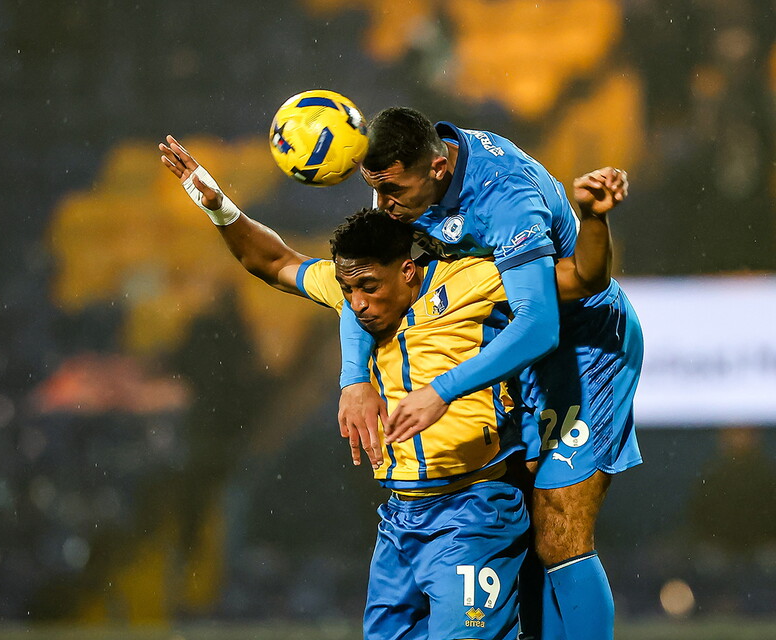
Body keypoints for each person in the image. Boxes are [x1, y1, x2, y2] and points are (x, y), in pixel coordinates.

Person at [158, 135, 626, 640]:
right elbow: (272, 262)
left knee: (563, 543)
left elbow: (581, 278)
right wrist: (219, 207)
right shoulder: (353, 296)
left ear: (406, 270)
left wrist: (593, 220)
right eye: (348, 290)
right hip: (400, 522)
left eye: (369, 288)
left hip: (472, 513)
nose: (356, 304)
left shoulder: (471, 281)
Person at [338, 107, 643, 640]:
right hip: (508, 356)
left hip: (580, 349)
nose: (383, 206)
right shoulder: (405, 185)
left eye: (391, 191)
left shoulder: (504, 196)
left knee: (560, 530)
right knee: (515, 524)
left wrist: (441, 391)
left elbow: (541, 323)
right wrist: (354, 378)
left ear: (436, 167)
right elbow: (366, 274)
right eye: (375, 190)